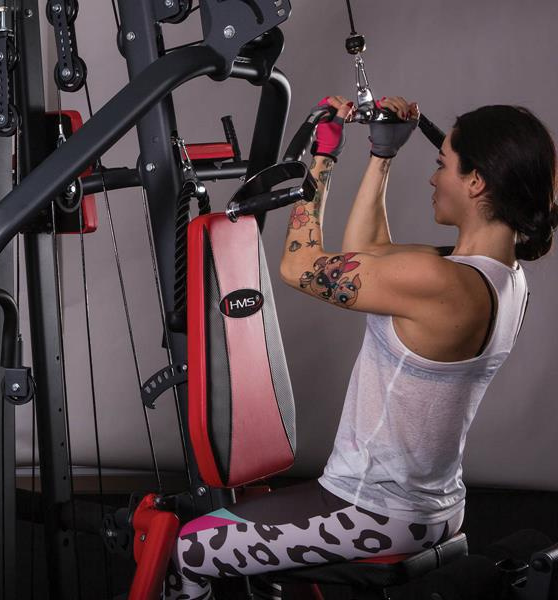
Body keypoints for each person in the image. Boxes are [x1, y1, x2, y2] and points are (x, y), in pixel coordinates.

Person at [164, 96, 557, 600]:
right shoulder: (501, 278)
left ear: (476, 182)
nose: (433, 178)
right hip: (430, 509)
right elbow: (364, 251)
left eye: (443, 165)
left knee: (191, 546)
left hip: (372, 512)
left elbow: (298, 267)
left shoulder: (440, 281)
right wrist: (380, 154)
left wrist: (322, 159)